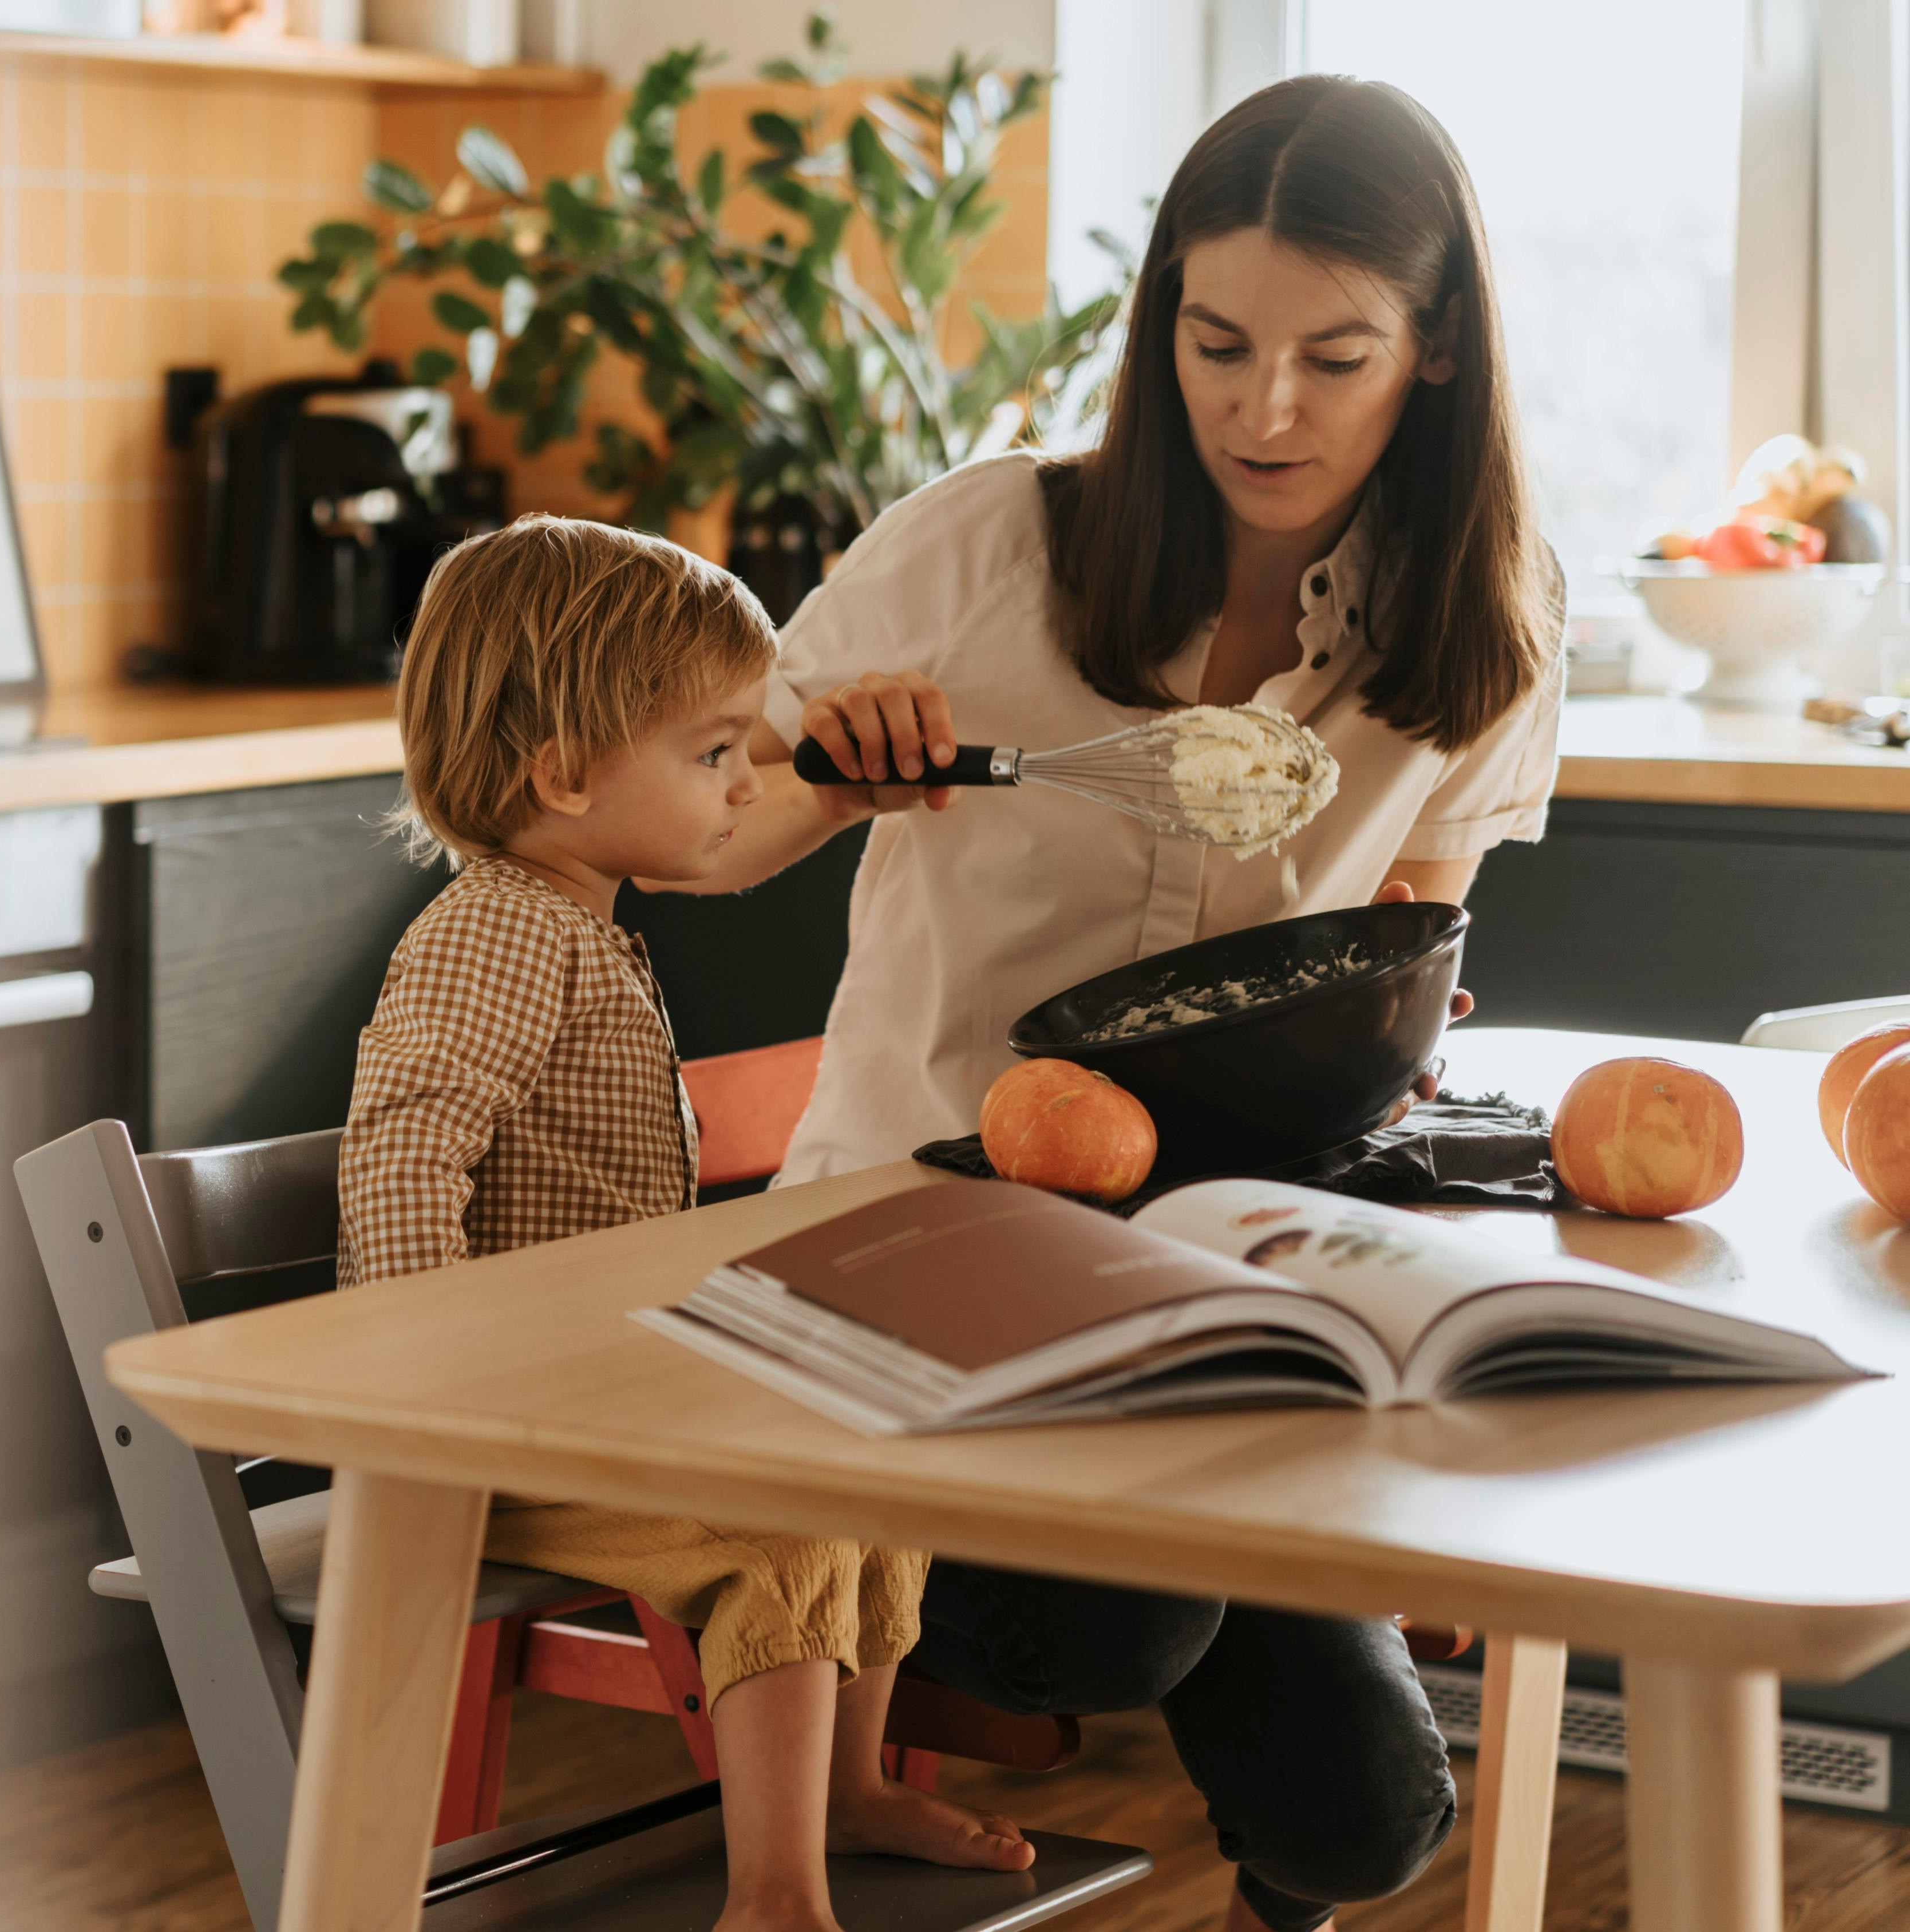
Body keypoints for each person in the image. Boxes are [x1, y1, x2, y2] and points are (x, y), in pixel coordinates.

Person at [662, 75, 1559, 1932]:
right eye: (1219, 344)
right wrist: (828, 765)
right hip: (913, 1266)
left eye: (1336, 352)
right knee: (1111, 1612)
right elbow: (715, 841)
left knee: (1364, 1822)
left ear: (1439, 347)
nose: (1269, 409)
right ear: (1163, 327)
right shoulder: (988, 545)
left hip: (1219, 1281)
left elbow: (1400, 956)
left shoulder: (1486, 619)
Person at [336, 514, 1019, 1932]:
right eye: (712, 753)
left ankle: (843, 1795)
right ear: (566, 773)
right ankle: (775, 1890)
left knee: (873, 1468)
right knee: (785, 1534)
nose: (739, 780)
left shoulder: (572, 914)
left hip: (585, 1395)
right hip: (499, 1426)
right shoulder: (503, 933)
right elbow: (403, 1152)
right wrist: (428, 1397)